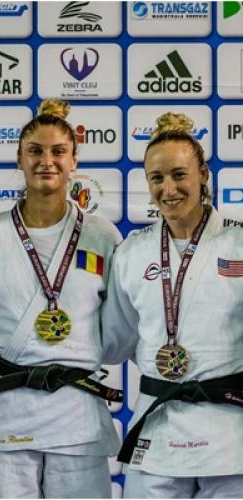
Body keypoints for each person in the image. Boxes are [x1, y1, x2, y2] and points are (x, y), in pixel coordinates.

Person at [0, 99, 122, 498]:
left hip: (77, 411)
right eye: (35, 151)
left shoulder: (102, 235)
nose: (46, 161)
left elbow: (117, 330)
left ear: (74, 160)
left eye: (58, 151)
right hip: (6, 408)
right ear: (19, 159)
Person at [102, 112, 243, 498]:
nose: (169, 189)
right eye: (157, 178)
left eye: (179, 175)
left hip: (231, 434)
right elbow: (116, 342)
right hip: (159, 426)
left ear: (203, 175)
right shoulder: (131, 253)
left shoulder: (239, 245)